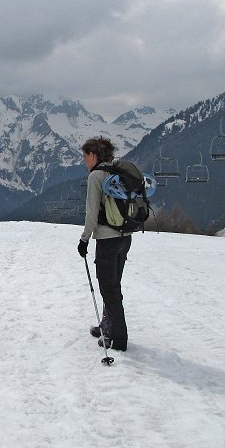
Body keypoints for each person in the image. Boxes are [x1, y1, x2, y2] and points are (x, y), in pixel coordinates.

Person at [77, 136, 131, 351]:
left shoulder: (96, 176)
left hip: (107, 240)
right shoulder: (118, 173)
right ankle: (107, 325)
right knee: (114, 285)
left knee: (109, 290)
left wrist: (84, 239)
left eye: (84, 156)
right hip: (125, 236)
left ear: (93, 155)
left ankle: (119, 339)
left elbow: (91, 213)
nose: (83, 161)